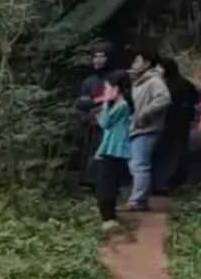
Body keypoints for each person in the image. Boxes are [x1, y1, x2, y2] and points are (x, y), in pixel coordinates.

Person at [127, 51, 171, 212]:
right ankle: (140, 199)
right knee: (136, 165)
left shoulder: (154, 80)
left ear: (147, 63)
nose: (133, 64)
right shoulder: (140, 81)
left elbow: (164, 99)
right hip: (138, 127)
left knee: (140, 165)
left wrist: (144, 113)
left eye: (137, 61)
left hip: (148, 128)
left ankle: (137, 200)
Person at [91, 72, 133, 231]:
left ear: (116, 88)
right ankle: (109, 215)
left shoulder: (121, 105)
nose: (105, 90)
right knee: (108, 183)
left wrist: (104, 105)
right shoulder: (118, 104)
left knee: (106, 184)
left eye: (107, 87)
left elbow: (104, 122)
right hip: (110, 148)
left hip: (114, 150)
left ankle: (108, 218)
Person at [154, 56, 198, 193]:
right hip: (175, 125)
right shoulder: (175, 83)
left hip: (174, 126)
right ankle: (167, 183)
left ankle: (166, 183)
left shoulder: (177, 85)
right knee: (172, 155)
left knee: (171, 155)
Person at [73, 43, 111, 182]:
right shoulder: (89, 81)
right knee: (90, 151)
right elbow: (81, 103)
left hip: (110, 124)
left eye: (102, 56)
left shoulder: (114, 78)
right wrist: (98, 102)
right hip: (91, 122)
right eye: (96, 57)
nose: (98, 60)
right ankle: (89, 180)